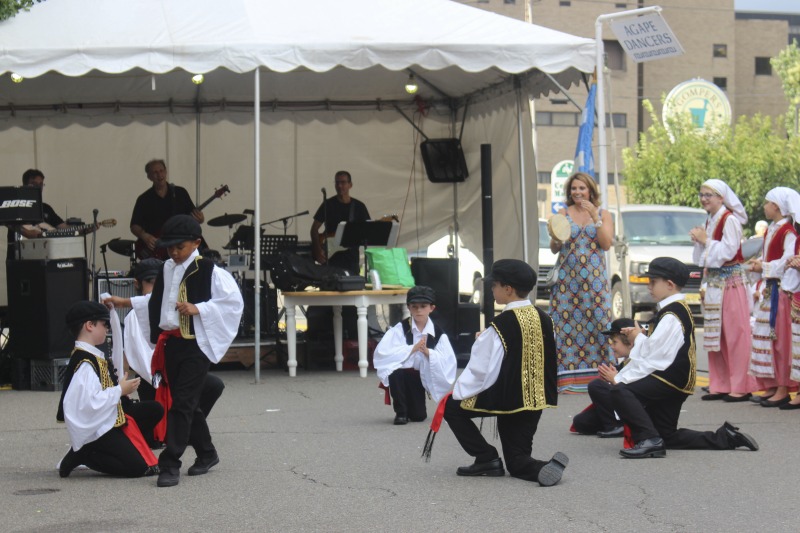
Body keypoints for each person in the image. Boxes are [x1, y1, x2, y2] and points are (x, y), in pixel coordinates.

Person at [423, 259, 568, 487]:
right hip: (535, 401)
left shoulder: (501, 325)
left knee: (451, 407)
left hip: (507, 401)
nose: (492, 290)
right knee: (517, 459)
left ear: (508, 289)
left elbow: (482, 371)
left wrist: (459, 392)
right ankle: (543, 467)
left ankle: (486, 457)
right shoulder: (546, 319)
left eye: (494, 285)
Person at [600, 257, 759, 458]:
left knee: (620, 391)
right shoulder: (672, 310)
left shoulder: (672, 314)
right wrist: (640, 335)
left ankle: (650, 440)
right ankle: (724, 438)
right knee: (668, 435)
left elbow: (657, 356)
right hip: (676, 380)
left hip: (669, 379)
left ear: (669, 284)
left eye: (653, 282)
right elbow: (659, 346)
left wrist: (636, 342)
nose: (649, 287)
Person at [144, 214, 243, 487]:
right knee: (188, 402)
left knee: (182, 404)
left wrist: (199, 308)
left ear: (196, 242)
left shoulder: (211, 270)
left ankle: (170, 462)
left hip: (196, 343)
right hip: (172, 342)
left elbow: (232, 303)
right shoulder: (166, 268)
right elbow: (158, 302)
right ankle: (207, 453)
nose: (174, 252)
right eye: (170, 247)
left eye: (180, 247)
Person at [103, 258, 226, 446]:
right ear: (137, 284)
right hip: (154, 377)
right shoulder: (134, 316)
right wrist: (166, 375)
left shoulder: (166, 305)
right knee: (177, 398)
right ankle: (179, 430)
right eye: (150, 283)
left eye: (158, 283)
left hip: (172, 368)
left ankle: (187, 428)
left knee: (212, 385)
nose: (155, 288)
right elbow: (142, 361)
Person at [56, 301, 160, 478]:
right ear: (89, 325)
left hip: (106, 419)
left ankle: (101, 449)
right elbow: (89, 404)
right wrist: (119, 390)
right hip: (96, 427)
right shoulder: (85, 363)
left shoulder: (91, 356)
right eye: (104, 325)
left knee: (154, 412)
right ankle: (85, 453)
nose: (107, 329)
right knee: (137, 468)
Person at [689, 179, 754, 402]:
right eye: (702, 194)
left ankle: (741, 385)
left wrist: (705, 241)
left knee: (736, 335)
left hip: (731, 281)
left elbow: (727, 251)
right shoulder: (710, 220)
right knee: (716, 335)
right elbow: (706, 256)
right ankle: (720, 383)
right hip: (716, 282)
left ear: (721, 198)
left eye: (709, 194)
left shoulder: (730, 220)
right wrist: (700, 242)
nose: (704, 198)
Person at [549, 172, 614, 393]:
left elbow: (605, 244)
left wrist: (595, 215)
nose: (577, 192)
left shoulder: (604, 214)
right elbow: (554, 247)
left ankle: (603, 375)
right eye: (574, 189)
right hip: (568, 282)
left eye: (582, 189)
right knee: (566, 327)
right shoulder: (563, 212)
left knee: (600, 322)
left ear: (590, 191)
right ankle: (569, 379)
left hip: (595, 281)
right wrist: (557, 238)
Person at [373, 285, 457, 425]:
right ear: (409, 307)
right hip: (401, 375)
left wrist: (428, 352)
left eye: (423, 306)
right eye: (414, 306)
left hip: (417, 377)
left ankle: (411, 409)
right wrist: (412, 349)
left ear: (431, 308)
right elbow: (384, 353)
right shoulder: (400, 329)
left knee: (418, 416)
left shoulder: (438, 333)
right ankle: (400, 412)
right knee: (395, 370)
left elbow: (448, 361)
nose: (418, 310)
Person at [747, 187, 799, 407]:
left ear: (776, 206)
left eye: (767, 203)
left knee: (780, 340)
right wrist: (759, 264)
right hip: (771, 288)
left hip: (781, 290)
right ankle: (771, 384)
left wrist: (764, 266)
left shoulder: (788, 232)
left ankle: (782, 386)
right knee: (767, 339)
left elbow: (787, 261)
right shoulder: (771, 229)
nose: (764, 206)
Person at [571, 318, 635, 437]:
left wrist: (615, 379)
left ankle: (616, 426)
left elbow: (636, 389)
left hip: (636, 407)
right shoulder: (625, 362)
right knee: (581, 422)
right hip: (622, 405)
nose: (611, 346)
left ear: (630, 344)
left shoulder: (640, 360)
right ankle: (613, 423)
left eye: (615, 342)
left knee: (596, 385)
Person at [130, 159, 205, 260]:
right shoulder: (144, 199)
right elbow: (134, 225)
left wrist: (200, 219)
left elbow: (192, 218)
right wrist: (145, 236)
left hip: (181, 248)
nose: (159, 175)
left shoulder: (180, 193)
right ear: (149, 176)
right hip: (157, 250)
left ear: (165, 172)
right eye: (155, 172)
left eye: (161, 171)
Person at [310, 170, 370, 273]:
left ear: (350, 185)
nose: (339, 186)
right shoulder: (328, 204)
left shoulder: (359, 207)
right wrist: (318, 249)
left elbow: (367, 230)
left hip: (351, 258)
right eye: (337, 183)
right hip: (331, 258)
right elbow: (314, 229)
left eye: (343, 182)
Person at [6, 169, 69, 260]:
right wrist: (27, 232)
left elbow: (64, 227)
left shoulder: (46, 208)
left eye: (41, 184)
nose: (38, 187)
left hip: (45, 258)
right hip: (19, 260)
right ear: (24, 185)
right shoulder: (15, 205)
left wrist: (83, 229)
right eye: (34, 184)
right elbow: (8, 222)